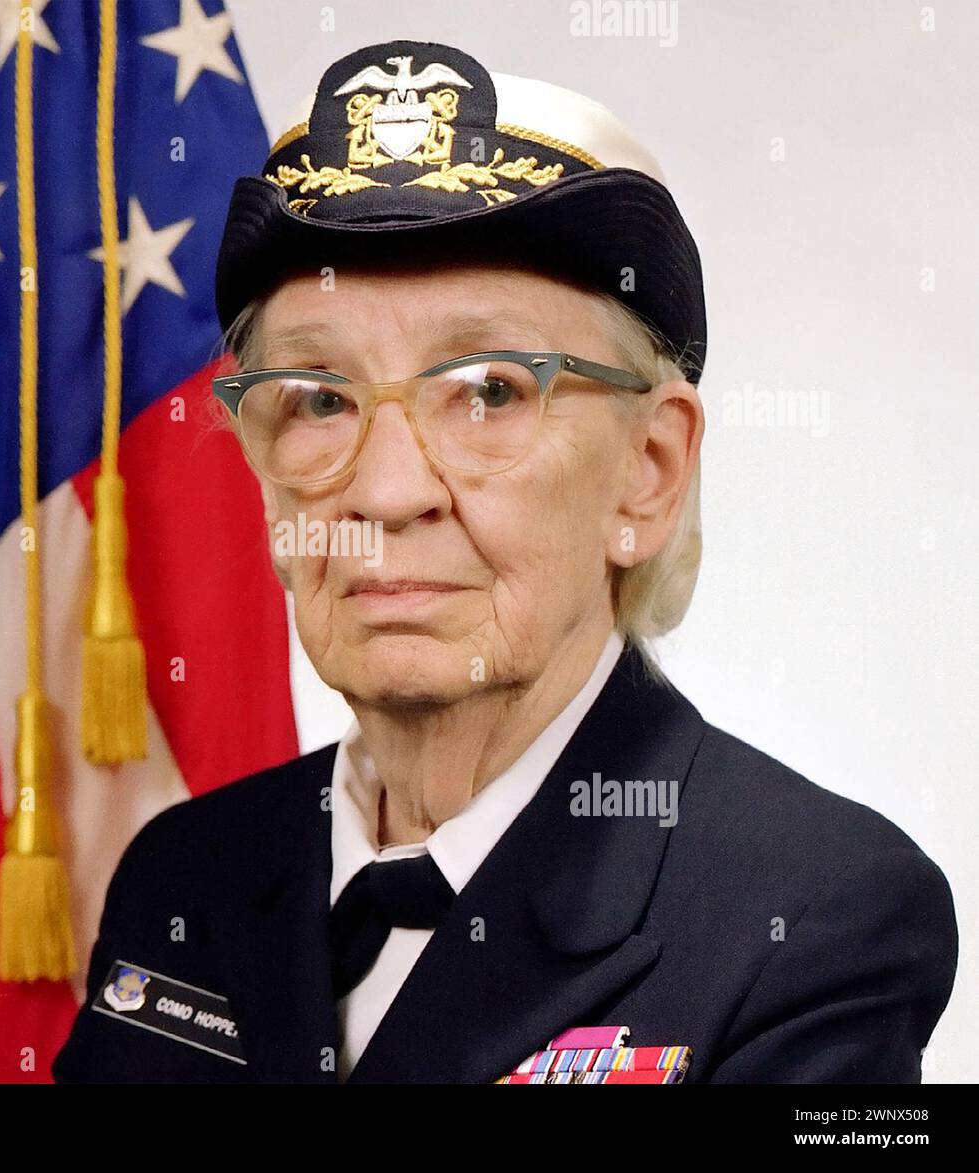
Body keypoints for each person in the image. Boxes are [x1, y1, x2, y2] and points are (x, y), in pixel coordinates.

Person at [53, 38, 957, 1084]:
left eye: (487, 391)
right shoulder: (186, 874)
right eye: (318, 399)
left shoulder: (808, 918)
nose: (387, 494)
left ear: (646, 474)